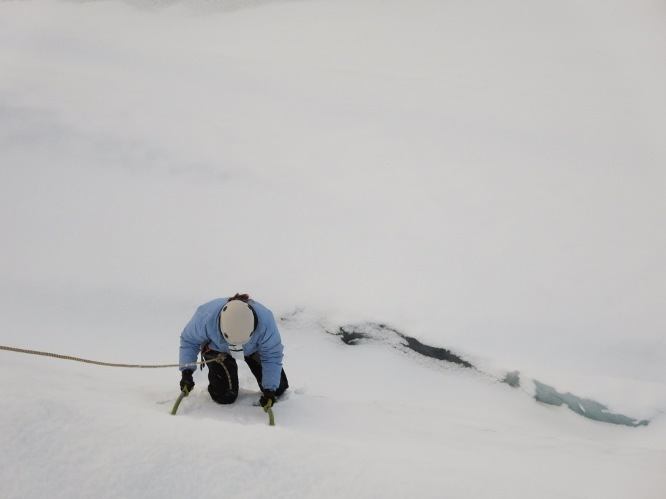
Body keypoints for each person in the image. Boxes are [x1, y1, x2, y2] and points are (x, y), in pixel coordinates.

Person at [178, 293, 289, 409]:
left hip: (252, 349)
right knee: (225, 396)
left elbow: (272, 354)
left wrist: (269, 389)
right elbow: (189, 341)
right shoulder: (206, 316)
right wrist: (187, 372)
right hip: (218, 349)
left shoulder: (265, 322)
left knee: (278, 389)